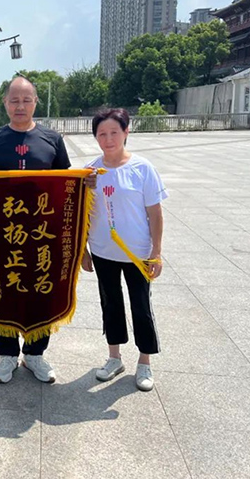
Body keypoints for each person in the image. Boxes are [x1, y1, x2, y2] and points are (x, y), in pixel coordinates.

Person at [0, 76, 85, 384]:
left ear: (35, 102)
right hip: (3, 234)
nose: (20, 106)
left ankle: (35, 354)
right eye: (14, 101)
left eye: (26, 100)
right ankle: (6, 354)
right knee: (2, 288)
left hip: (42, 234)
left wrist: (86, 182)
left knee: (43, 288)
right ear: (5, 104)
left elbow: (65, 185)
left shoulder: (52, 139)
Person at [80, 107, 166, 392]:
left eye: (114, 132)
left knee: (141, 305)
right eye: (101, 134)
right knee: (110, 303)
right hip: (103, 251)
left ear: (126, 132)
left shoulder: (142, 168)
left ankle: (145, 361)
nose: (108, 139)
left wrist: (156, 252)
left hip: (137, 253)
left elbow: (155, 213)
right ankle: (114, 357)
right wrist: (83, 250)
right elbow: (82, 213)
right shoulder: (90, 172)